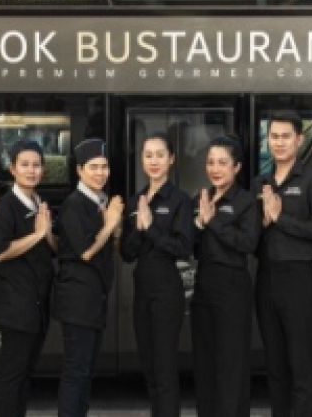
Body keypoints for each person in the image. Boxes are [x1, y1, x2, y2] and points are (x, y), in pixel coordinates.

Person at [253, 111, 312, 417]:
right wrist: (262, 222)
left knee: (300, 363)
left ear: (299, 140)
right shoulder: (260, 183)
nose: (279, 142)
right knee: (274, 365)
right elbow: (250, 237)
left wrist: (280, 218)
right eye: (274, 136)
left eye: (286, 136)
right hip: (266, 277)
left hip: (297, 277)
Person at [120, 132, 196, 417]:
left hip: (167, 291)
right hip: (142, 289)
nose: (154, 161)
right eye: (148, 155)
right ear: (142, 160)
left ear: (171, 159)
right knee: (149, 368)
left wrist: (150, 229)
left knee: (164, 369)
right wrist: (139, 230)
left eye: (160, 155)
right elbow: (127, 254)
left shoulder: (180, 200)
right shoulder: (135, 201)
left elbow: (184, 248)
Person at [53, 138, 124, 417]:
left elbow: (109, 248)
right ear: (79, 170)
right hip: (77, 301)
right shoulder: (74, 204)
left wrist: (115, 229)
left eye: (104, 167)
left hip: (95, 298)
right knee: (76, 371)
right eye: (93, 167)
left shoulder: (100, 202)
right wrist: (109, 224)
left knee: (87, 372)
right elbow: (85, 252)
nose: (100, 173)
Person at [191, 135, 261, 417]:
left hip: (233, 285)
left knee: (231, 362)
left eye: (222, 162)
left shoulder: (246, 201)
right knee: (204, 361)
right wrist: (198, 224)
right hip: (204, 283)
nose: (215, 168)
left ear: (237, 167)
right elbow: (191, 245)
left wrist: (214, 222)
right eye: (211, 162)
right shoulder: (201, 198)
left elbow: (248, 243)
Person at [0, 140, 57, 417]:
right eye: (25, 165)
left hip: (38, 305)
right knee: (12, 376)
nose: (31, 170)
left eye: (36, 165)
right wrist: (37, 234)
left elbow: (52, 247)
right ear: (12, 169)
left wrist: (47, 233)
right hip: (16, 306)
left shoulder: (40, 202)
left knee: (26, 374)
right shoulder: (7, 205)